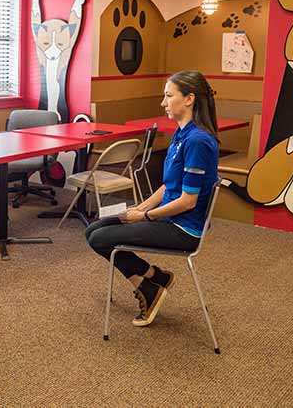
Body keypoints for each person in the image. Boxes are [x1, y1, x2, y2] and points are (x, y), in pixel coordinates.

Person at [85, 70, 219, 327]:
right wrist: (141, 206)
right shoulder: (182, 134)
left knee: (100, 239)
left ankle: (148, 288)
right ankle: (155, 275)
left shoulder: (198, 141)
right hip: (169, 217)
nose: (163, 102)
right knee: (93, 230)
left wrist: (144, 216)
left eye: (168, 96)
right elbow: (169, 185)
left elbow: (188, 201)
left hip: (183, 228)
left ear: (189, 99)